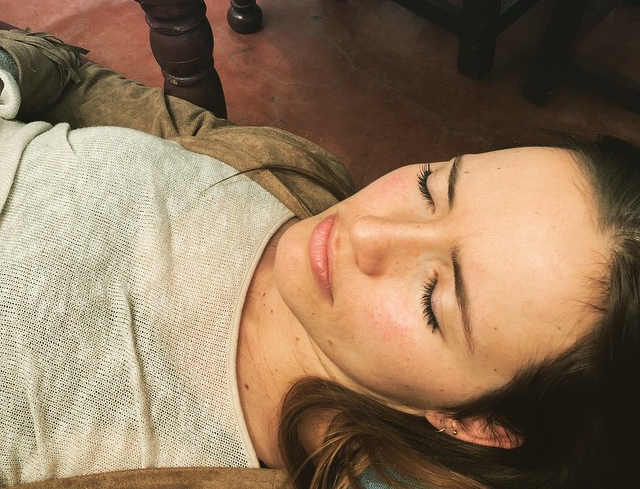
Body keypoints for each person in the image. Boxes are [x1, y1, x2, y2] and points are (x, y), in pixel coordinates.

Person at [0, 28, 637, 489]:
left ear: (479, 423)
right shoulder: (298, 175)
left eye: (432, 297)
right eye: (431, 188)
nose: (368, 232)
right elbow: (86, 86)